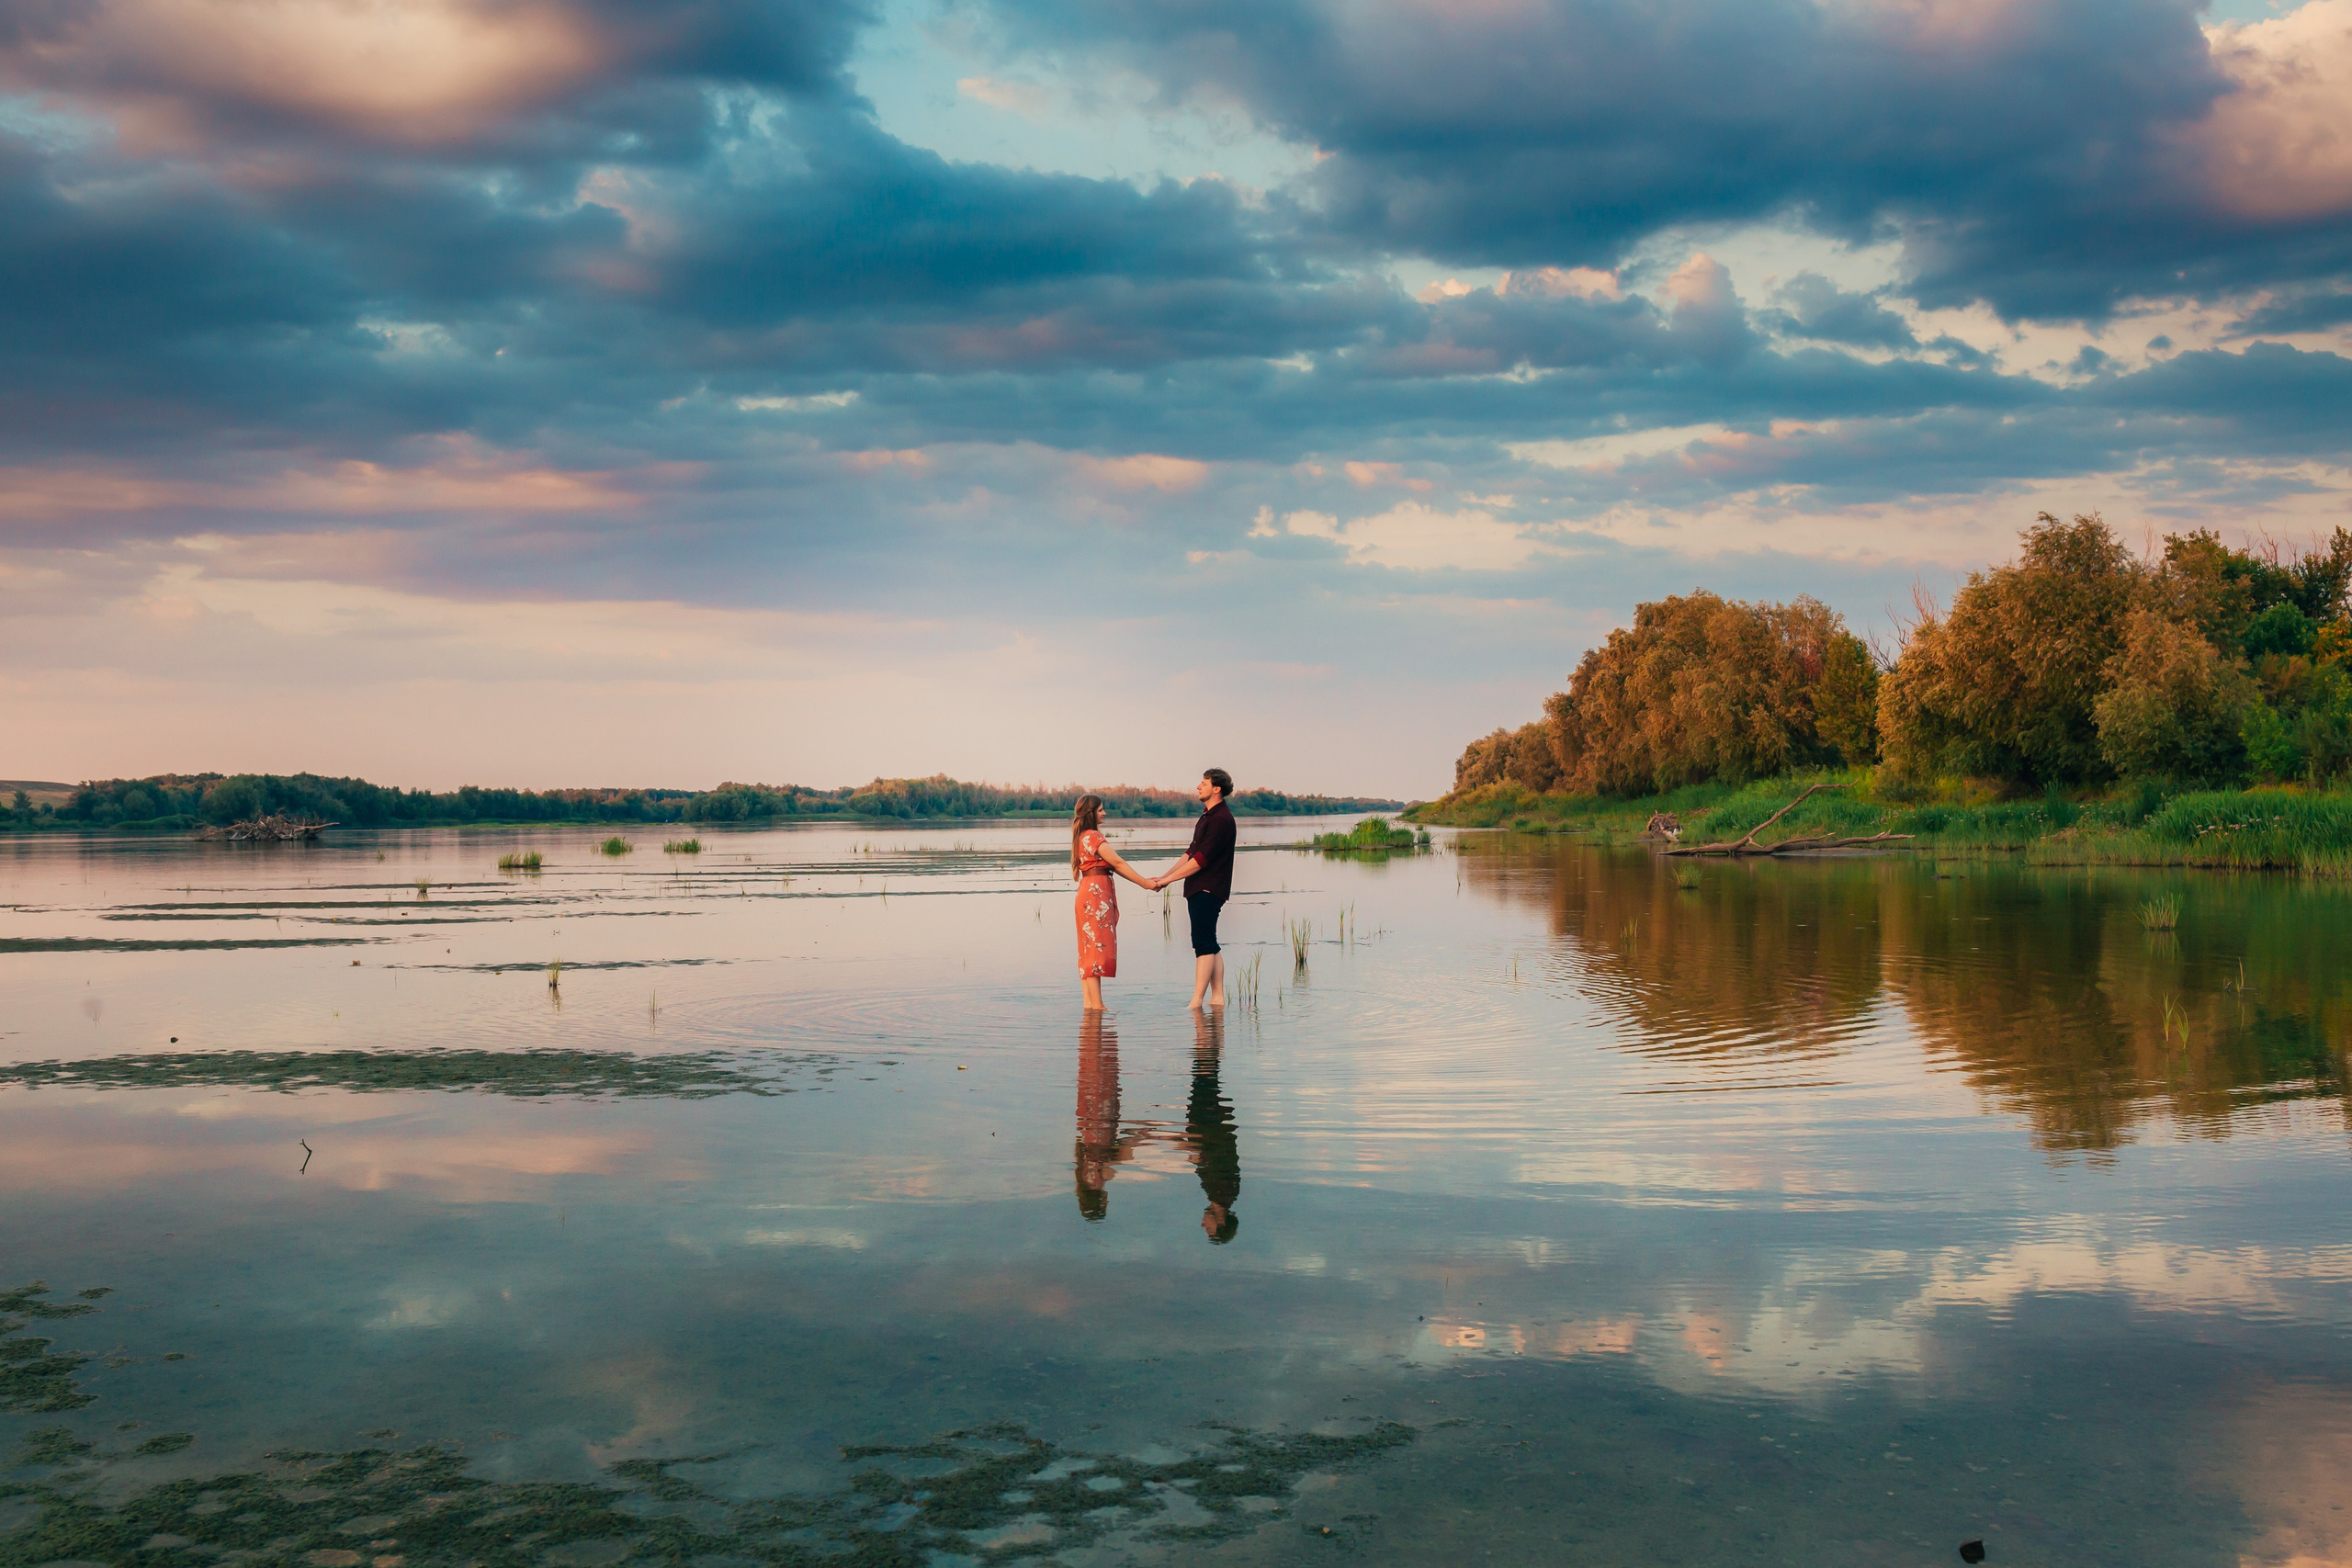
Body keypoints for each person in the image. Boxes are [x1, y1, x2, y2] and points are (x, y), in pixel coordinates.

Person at [1146, 769, 1238, 1010]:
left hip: (1208, 888)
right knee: (1210, 942)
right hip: (1201, 888)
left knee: (1203, 943)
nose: (1198, 787)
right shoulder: (1209, 815)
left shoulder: (1220, 819)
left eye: (1203, 783)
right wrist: (1164, 876)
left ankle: (1196, 1002)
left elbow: (1200, 861)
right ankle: (1217, 998)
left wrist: (1167, 882)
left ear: (1216, 789)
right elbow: (1190, 853)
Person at [1071, 793, 1156, 1010]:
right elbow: (1118, 862)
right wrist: (1144, 883)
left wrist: (1143, 882)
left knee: (1089, 947)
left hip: (1088, 892)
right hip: (1095, 894)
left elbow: (1115, 866)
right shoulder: (1093, 837)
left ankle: (1090, 1006)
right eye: (1100, 810)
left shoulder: (1082, 836)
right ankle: (1097, 1006)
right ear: (1091, 813)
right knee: (1096, 947)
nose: (1105, 813)